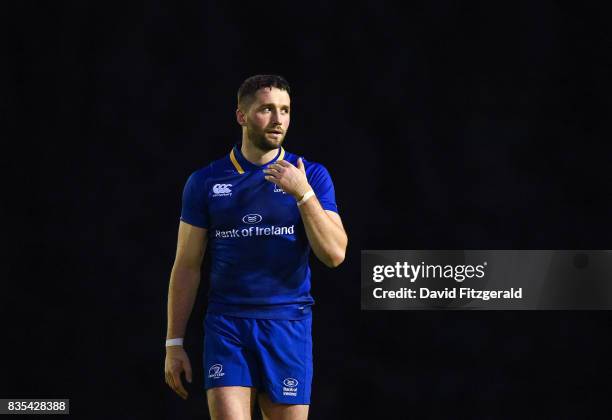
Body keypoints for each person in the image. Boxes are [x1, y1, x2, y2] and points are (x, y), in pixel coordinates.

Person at [164, 74, 348, 420]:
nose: (279, 120)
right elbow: (187, 264)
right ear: (242, 116)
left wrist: (302, 193)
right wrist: (174, 342)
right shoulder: (205, 182)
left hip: (287, 325)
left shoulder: (311, 175)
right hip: (227, 325)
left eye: (285, 110)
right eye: (267, 109)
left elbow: (335, 254)